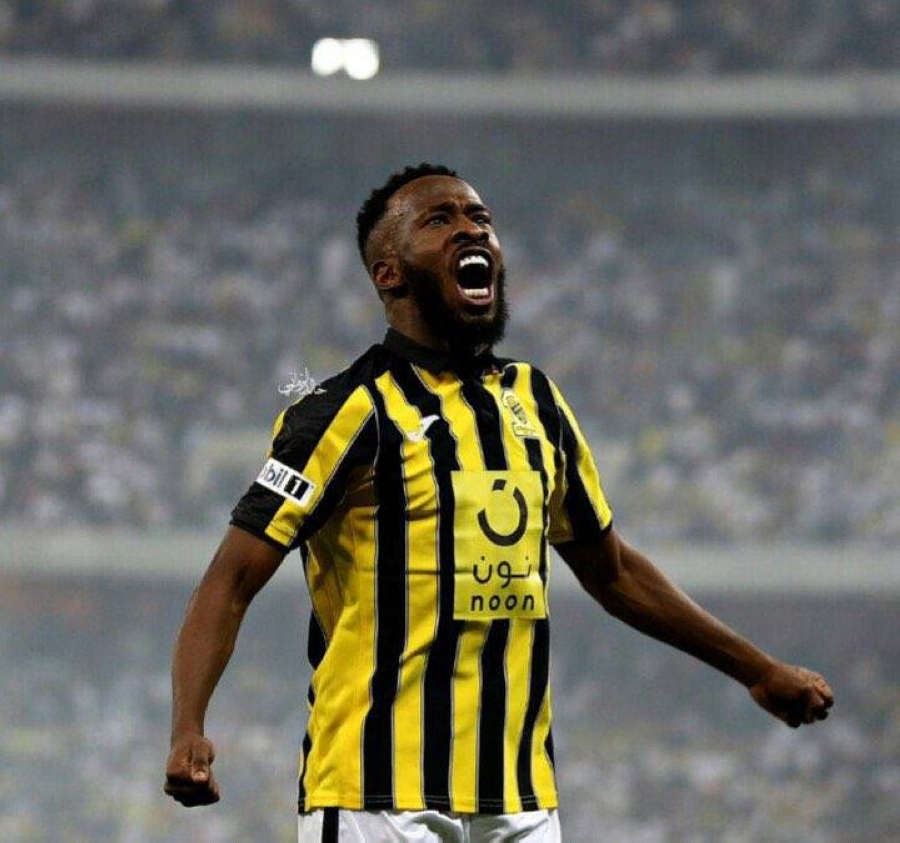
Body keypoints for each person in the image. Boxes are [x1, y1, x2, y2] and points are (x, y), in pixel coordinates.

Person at [164, 163, 834, 841]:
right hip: (375, 791)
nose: (471, 229)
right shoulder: (343, 411)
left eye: (479, 217)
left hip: (519, 799)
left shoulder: (537, 402)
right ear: (389, 274)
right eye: (440, 219)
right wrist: (188, 725)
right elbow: (231, 579)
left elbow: (614, 572)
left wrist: (758, 671)